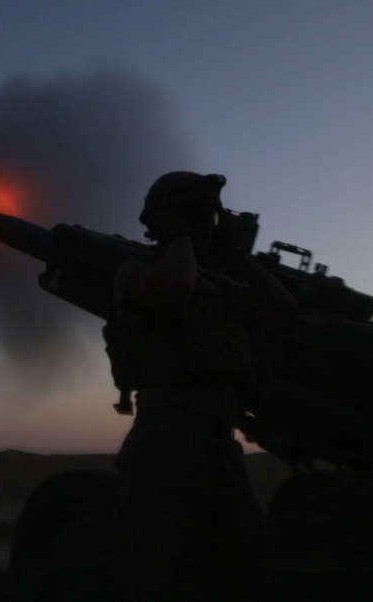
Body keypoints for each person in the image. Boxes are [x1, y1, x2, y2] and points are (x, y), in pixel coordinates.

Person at [106, 171, 296, 601]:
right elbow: (174, 287)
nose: (208, 226)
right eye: (200, 216)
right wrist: (182, 237)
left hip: (215, 441)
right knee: (156, 573)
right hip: (164, 442)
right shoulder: (136, 271)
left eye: (211, 217)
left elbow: (283, 310)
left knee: (249, 567)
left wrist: (241, 258)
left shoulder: (219, 281)